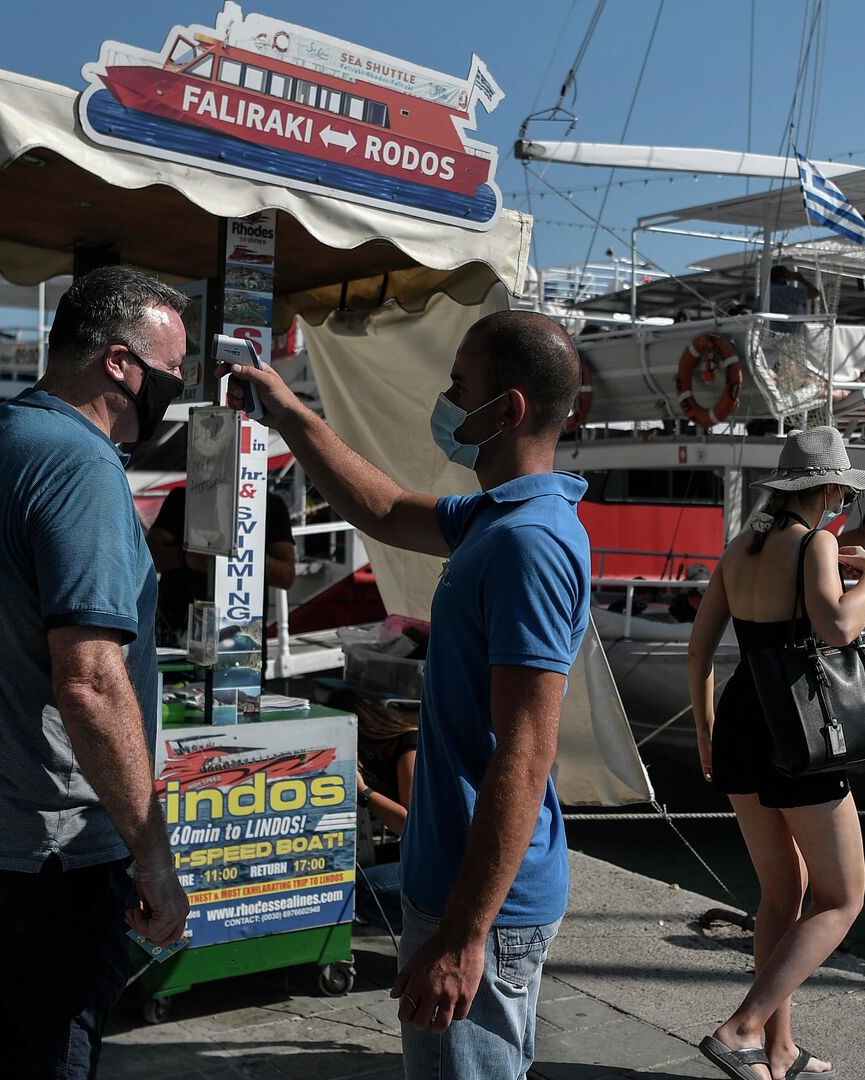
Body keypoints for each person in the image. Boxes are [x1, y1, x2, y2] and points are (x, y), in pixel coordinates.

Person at [227, 308, 588, 1079]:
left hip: (480, 901)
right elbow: (385, 508)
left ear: (510, 408)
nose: (448, 401)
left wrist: (465, 934)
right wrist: (286, 409)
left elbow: (526, 753)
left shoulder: (530, 542)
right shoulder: (499, 518)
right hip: (456, 886)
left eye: (461, 385)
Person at [0, 266, 191, 1078]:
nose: (180, 390)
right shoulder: (80, 466)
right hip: (42, 851)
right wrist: (154, 856)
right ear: (122, 364)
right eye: (174, 371)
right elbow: (90, 681)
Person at [687, 427, 865, 1080]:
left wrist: (707, 733)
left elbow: (700, 649)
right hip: (797, 726)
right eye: (840, 493)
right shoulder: (816, 543)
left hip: (742, 719)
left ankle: (779, 1050)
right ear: (828, 490)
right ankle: (742, 1029)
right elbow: (838, 626)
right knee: (842, 900)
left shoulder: (740, 547)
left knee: (782, 895)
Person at [146, 483, 297, 643]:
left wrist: (249, 556)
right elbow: (149, 556)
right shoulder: (183, 499)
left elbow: (287, 577)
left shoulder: (270, 505)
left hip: (241, 637)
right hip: (178, 627)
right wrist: (184, 557)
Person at [333, 688, 420, 934]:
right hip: (433, 851)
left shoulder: (408, 746)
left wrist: (364, 792)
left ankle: (430, 932)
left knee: (358, 889)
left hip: (447, 861)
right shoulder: (393, 751)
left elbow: (409, 824)